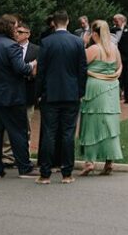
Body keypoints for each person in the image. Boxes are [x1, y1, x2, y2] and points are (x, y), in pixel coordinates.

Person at [36, 9, 88, 184]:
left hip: (50, 94)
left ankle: (45, 174)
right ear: (67, 21)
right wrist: (81, 91)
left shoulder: (46, 42)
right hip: (71, 93)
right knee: (67, 133)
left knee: (49, 133)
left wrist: (38, 94)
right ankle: (67, 173)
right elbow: (82, 70)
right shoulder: (77, 42)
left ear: (53, 22)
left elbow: (41, 71)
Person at [0, 15, 37, 179]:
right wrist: (32, 65)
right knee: (18, 132)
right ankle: (24, 167)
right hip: (12, 96)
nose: (17, 30)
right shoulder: (12, 46)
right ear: (9, 27)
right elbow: (21, 68)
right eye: (15, 27)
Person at [78, 20, 123, 176]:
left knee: (92, 122)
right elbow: (119, 67)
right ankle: (109, 161)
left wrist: (84, 45)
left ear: (94, 33)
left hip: (95, 86)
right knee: (109, 123)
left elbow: (80, 66)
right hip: (111, 87)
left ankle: (90, 162)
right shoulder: (114, 49)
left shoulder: (93, 49)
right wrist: (114, 76)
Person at [111, 14, 128, 104]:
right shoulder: (112, 30)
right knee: (117, 77)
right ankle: (117, 96)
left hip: (127, 58)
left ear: (122, 20)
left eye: (116, 20)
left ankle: (127, 98)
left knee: (127, 78)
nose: (114, 22)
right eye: (114, 20)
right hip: (115, 57)